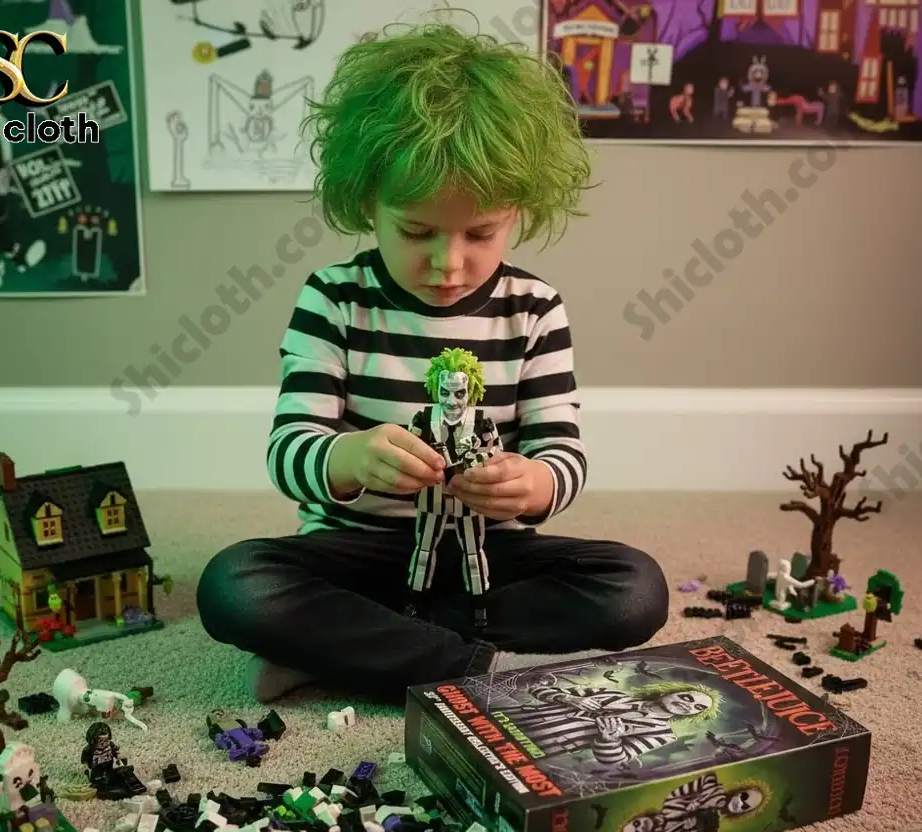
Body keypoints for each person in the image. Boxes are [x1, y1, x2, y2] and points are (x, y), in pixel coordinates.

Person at [196, 17, 669, 701]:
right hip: (360, 553)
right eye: (416, 230)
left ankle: (362, 648)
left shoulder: (534, 308)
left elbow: (562, 454)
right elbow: (290, 450)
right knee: (235, 584)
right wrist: (352, 459)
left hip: (489, 559)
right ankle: (473, 669)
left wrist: (528, 483)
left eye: (482, 233)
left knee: (635, 590)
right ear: (369, 202)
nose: (449, 263)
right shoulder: (334, 299)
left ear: (520, 212)